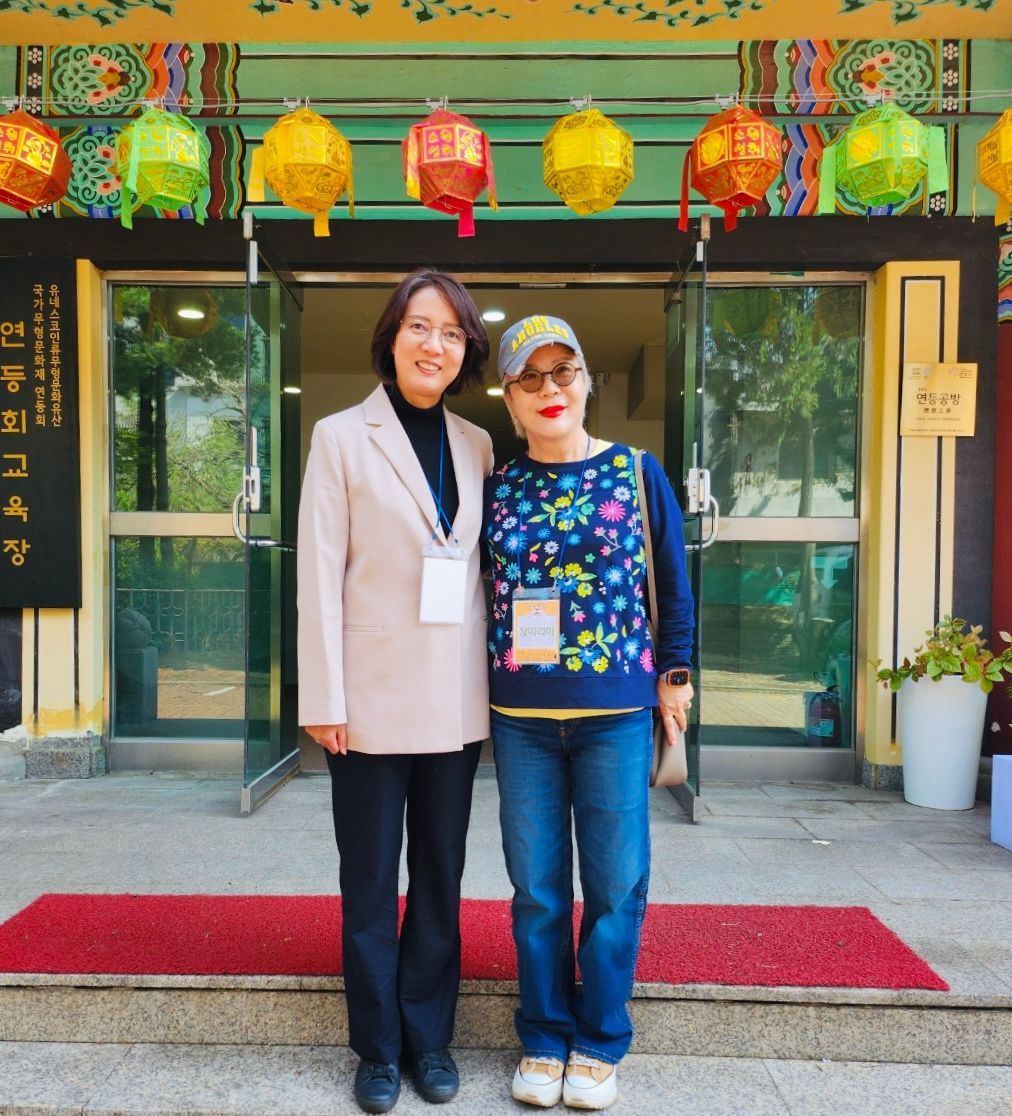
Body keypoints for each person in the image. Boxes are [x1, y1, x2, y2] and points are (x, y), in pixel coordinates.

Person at [484, 315, 694, 1111]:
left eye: (563, 371)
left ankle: (600, 1040)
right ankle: (543, 1036)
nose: (549, 389)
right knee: (537, 888)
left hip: (615, 713)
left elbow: (671, 583)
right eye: (528, 378)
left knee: (614, 884)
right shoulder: (499, 486)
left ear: (585, 381)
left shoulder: (635, 473)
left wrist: (675, 678)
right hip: (521, 717)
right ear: (509, 399)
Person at [298, 270, 493, 1114]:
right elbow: (319, 575)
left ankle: (430, 1039)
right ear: (392, 336)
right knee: (372, 882)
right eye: (420, 326)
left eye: (451, 333)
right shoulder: (341, 437)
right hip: (368, 702)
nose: (433, 345)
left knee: (441, 876)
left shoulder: (478, 444)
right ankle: (378, 1050)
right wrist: (324, 698)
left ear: (464, 351)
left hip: (455, 699)